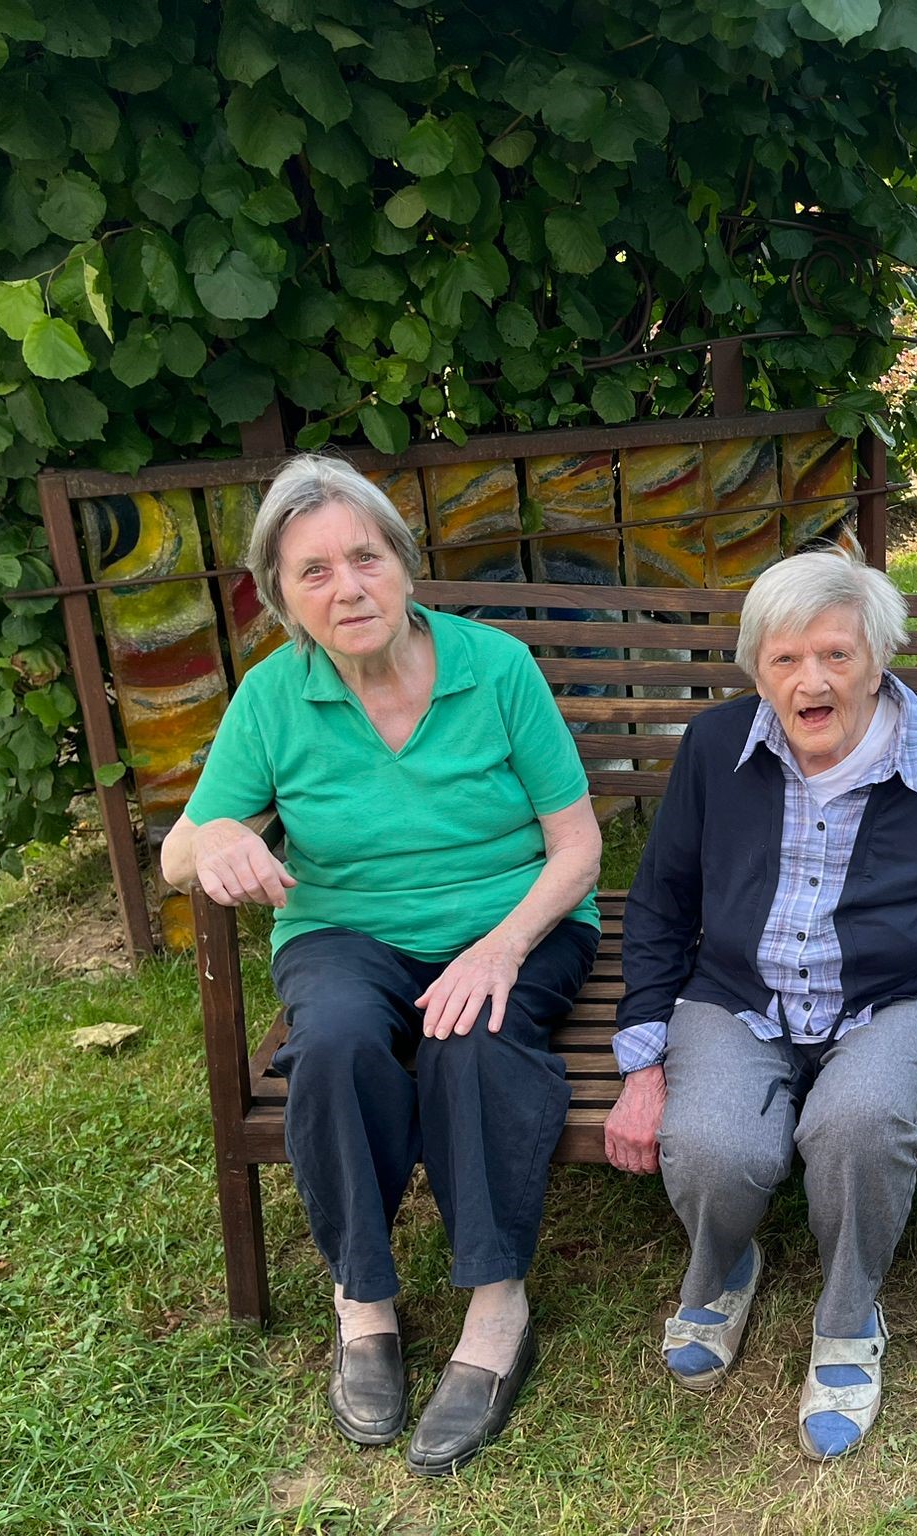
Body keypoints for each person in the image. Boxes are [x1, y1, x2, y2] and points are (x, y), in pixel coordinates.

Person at [160, 454, 602, 1476]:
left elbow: (575, 843)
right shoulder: (273, 697)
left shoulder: (495, 669)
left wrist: (499, 947)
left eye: (364, 558)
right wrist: (216, 840)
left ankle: (497, 1310)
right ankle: (363, 1301)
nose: (345, 587)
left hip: (513, 921)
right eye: (311, 572)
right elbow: (185, 848)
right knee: (339, 1044)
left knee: (474, 1040)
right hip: (343, 930)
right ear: (282, 601)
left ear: (403, 567)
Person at [601, 549, 917, 1460]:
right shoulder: (717, 748)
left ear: (878, 659)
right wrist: (642, 1064)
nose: (812, 681)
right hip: (737, 992)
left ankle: (846, 1323)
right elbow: (662, 903)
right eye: (787, 659)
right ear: (757, 669)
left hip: (899, 996)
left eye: (837, 655)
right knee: (714, 1146)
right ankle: (722, 1268)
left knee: (861, 1122)